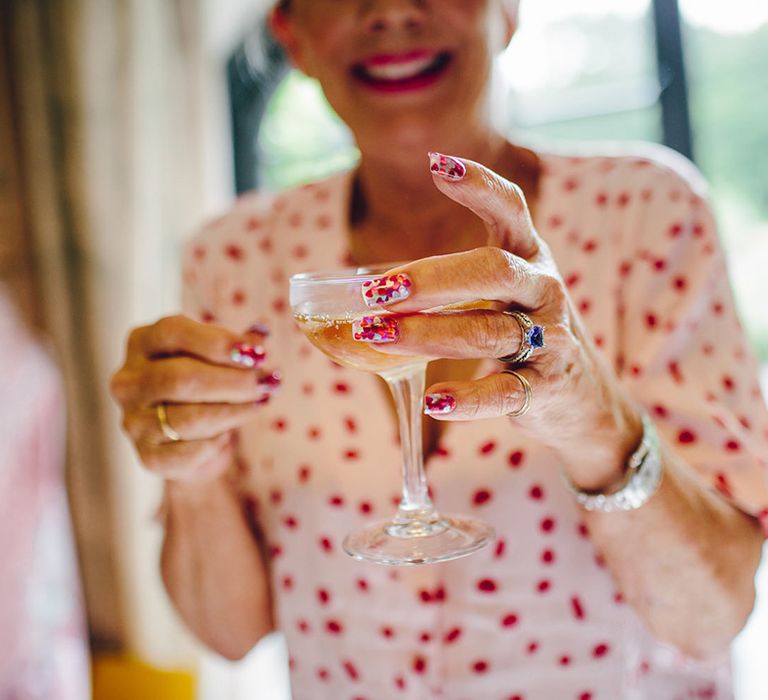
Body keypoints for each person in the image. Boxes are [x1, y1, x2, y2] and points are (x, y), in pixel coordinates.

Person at [111, 1, 768, 697]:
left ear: (508, 11)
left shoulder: (646, 211)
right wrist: (193, 467)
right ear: (291, 35)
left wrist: (594, 418)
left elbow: (712, 616)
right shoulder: (236, 258)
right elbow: (230, 635)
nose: (392, 11)